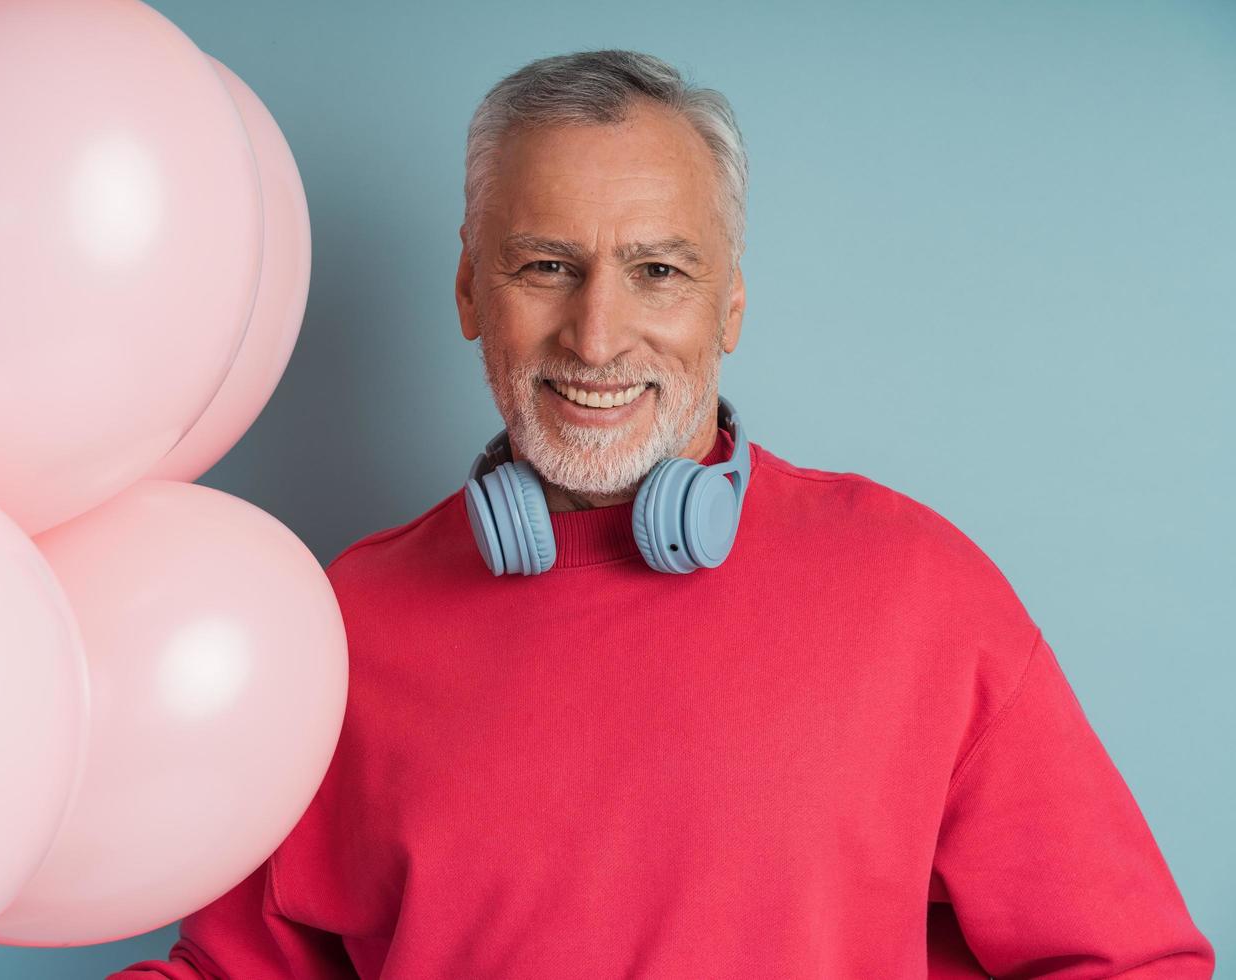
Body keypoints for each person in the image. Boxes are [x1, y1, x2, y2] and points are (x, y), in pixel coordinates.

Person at [113, 50, 1214, 978]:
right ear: (467, 291)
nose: (596, 336)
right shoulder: (343, 621)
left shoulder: (923, 593)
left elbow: (1128, 959)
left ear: (729, 301)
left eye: (656, 271)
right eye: (547, 265)